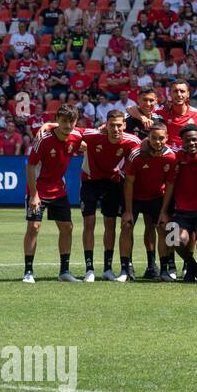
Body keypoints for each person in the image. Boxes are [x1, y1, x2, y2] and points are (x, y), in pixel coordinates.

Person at [78, 109, 141, 282]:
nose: (116, 129)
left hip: (113, 183)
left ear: (125, 125)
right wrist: (48, 124)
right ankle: (89, 269)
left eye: (119, 125)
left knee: (110, 224)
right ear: (106, 125)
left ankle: (107, 268)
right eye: (112, 125)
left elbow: (145, 151)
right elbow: (69, 129)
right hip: (90, 182)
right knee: (89, 223)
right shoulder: (92, 135)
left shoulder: (132, 141)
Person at [23, 106, 83, 283]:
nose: (68, 125)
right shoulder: (43, 139)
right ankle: (28, 272)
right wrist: (33, 195)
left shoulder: (77, 136)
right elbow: (30, 166)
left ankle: (64, 271)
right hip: (38, 190)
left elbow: (93, 136)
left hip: (59, 190)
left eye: (71, 122)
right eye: (64, 121)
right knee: (33, 228)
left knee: (67, 227)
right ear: (58, 120)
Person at [120, 119, 177, 283]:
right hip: (135, 197)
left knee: (164, 227)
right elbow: (128, 183)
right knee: (126, 225)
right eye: (154, 138)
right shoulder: (136, 154)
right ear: (148, 138)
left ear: (167, 137)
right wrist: (129, 211)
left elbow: (170, 185)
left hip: (156, 197)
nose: (157, 142)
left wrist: (164, 211)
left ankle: (164, 269)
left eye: (161, 138)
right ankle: (125, 269)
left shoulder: (171, 157)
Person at [160, 123, 197, 283]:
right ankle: (192, 265)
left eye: (194, 140)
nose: (191, 143)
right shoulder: (175, 157)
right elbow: (169, 185)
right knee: (173, 238)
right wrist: (164, 211)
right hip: (181, 213)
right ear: (181, 142)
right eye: (187, 141)